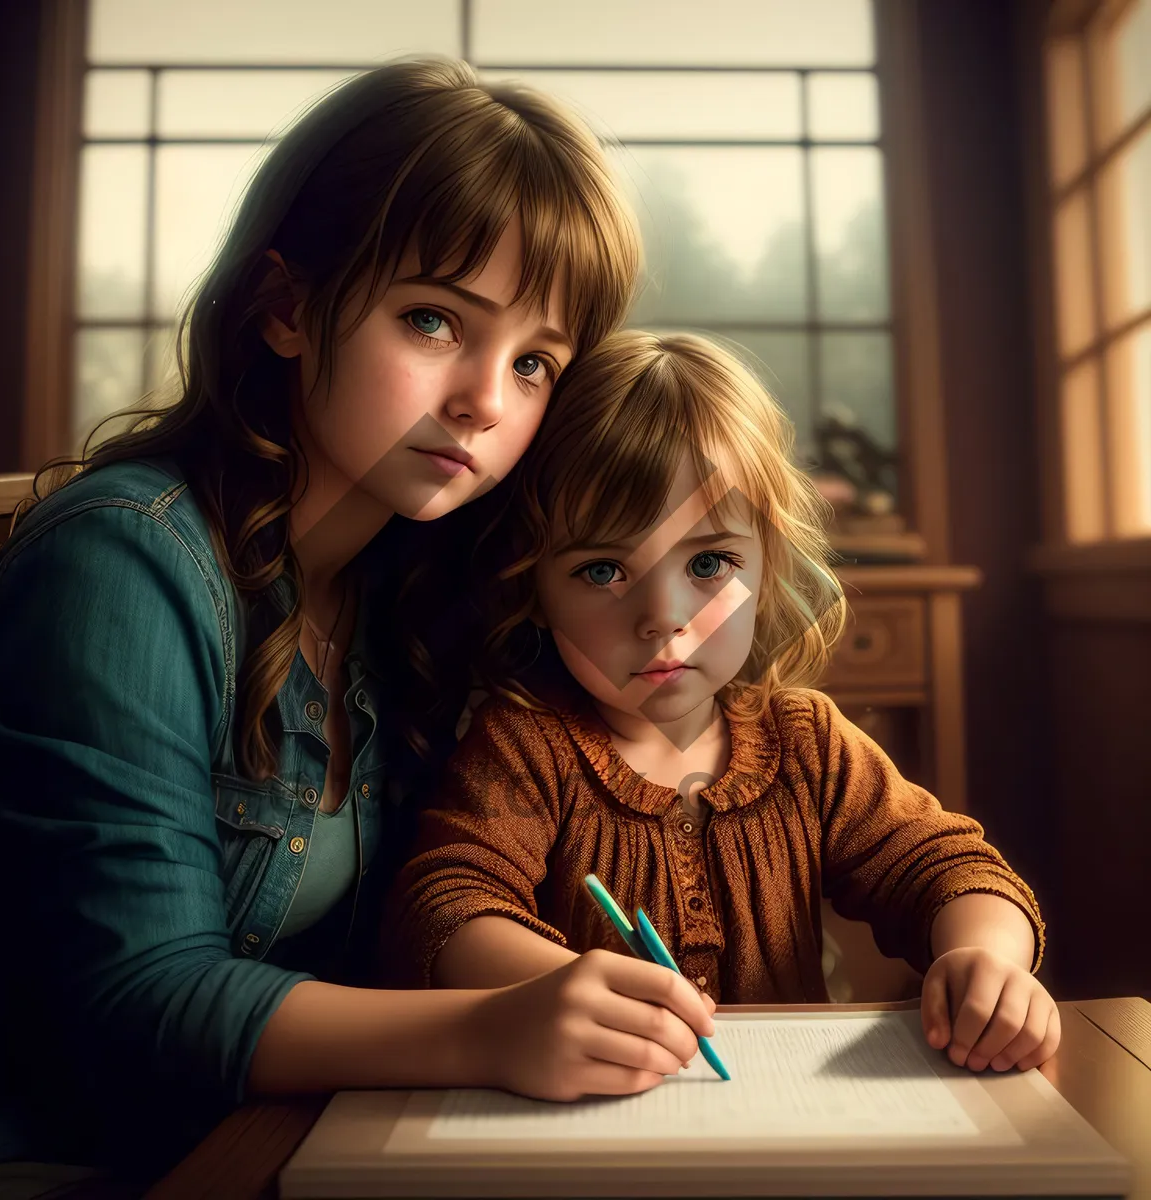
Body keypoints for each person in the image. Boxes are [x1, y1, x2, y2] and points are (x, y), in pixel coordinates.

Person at [0, 61, 719, 1194]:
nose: (485, 402)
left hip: (298, 1136)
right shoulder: (121, 563)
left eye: (534, 361)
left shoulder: (406, 586)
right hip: (65, 1158)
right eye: (433, 320)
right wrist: (491, 1029)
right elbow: (140, 998)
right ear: (286, 307)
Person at [390, 329, 1060, 1085]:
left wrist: (988, 960)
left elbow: (947, 866)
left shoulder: (808, 745)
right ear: (533, 588)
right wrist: (557, 988)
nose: (664, 616)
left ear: (767, 563)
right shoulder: (524, 748)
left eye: (709, 562)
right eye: (604, 569)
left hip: (789, 1128)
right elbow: (446, 905)